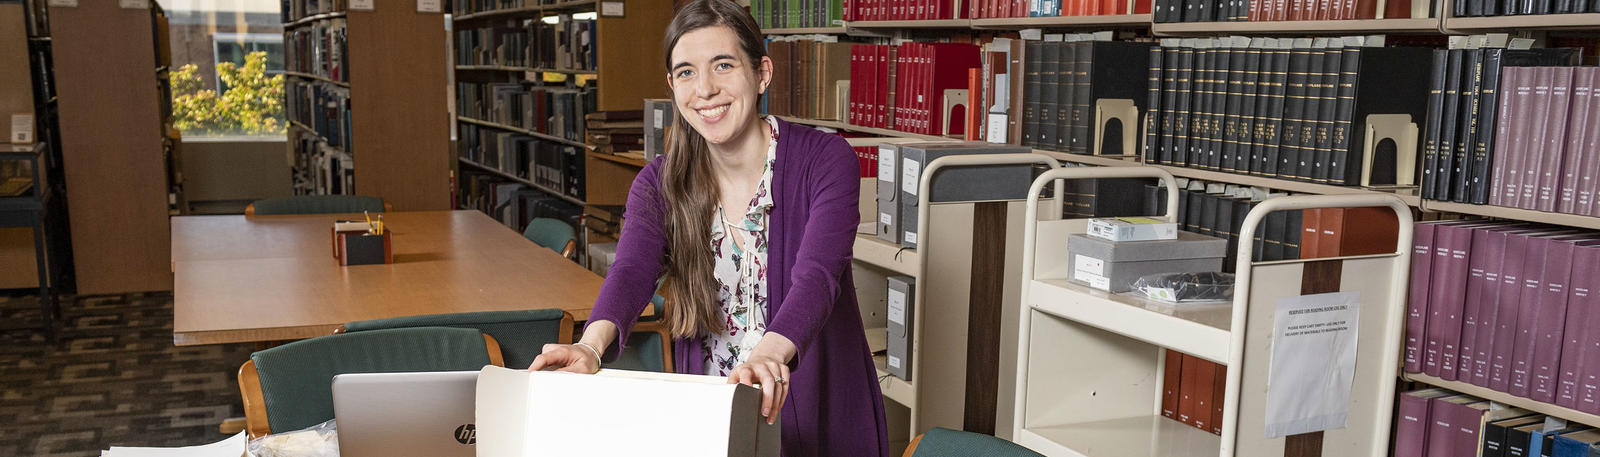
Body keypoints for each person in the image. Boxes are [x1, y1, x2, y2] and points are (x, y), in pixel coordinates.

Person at [528, 0, 889, 455]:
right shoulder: (659, 183)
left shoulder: (826, 160)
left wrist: (769, 357)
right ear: (671, 86)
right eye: (686, 72)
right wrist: (590, 348)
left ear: (762, 73)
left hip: (819, 409)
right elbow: (632, 271)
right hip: (710, 419)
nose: (705, 89)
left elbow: (818, 275)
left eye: (723, 65)